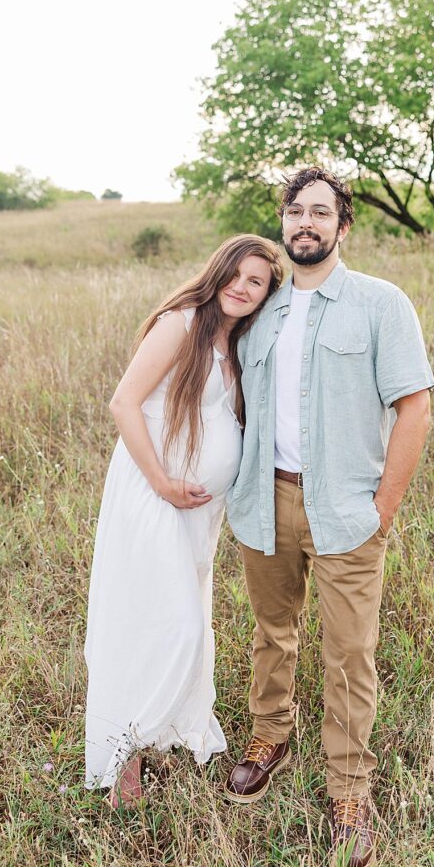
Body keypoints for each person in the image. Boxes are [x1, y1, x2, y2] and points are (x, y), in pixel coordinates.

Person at [224, 168, 434, 867]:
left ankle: (349, 793)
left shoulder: (381, 304)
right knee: (271, 632)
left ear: (342, 227)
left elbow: (414, 407)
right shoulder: (259, 307)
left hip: (347, 509)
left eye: (320, 211)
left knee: (349, 654)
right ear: (282, 225)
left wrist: (384, 508)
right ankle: (268, 739)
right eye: (294, 211)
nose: (305, 222)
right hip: (266, 499)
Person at [84, 234, 283, 808]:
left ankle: (151, 736)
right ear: (216, 270)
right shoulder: (182, 322)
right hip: (154, 495)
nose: (242, 288)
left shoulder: (234, 340)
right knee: (165, 623)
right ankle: (122, 754)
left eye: (257, 282)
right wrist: (163, 483)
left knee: (175, 617)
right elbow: (125, 402)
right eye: (236, 275)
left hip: (199, 512)